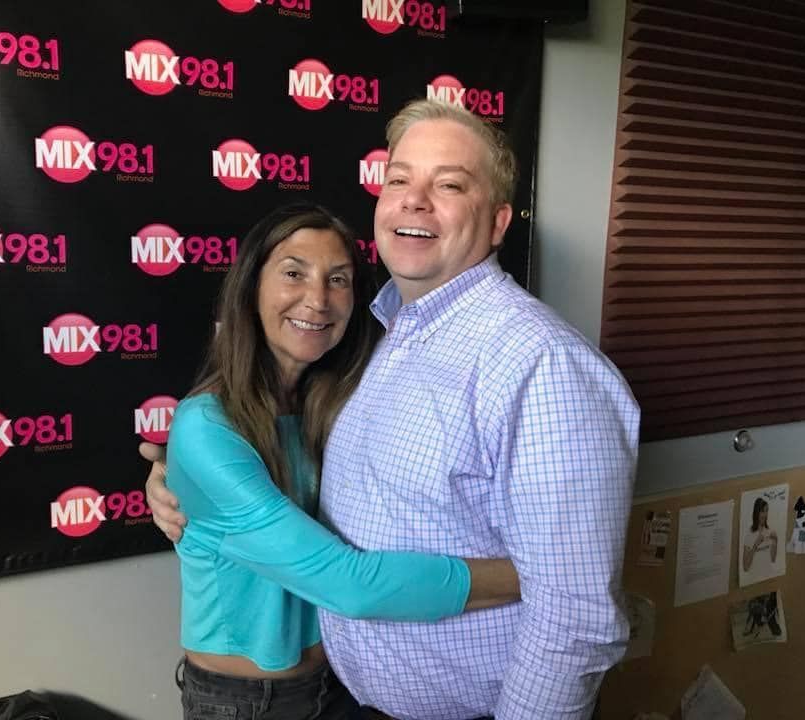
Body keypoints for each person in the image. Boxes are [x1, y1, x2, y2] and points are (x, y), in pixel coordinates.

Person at [146, 100, 640, 720]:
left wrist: (547, 580)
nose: (415, 200)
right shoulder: (380, 348)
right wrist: (174, 480)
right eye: (399, 179)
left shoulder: (541, 363)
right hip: (339, 699)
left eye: (450, 185)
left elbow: (575, 619)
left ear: (498, 223)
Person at [159, 202, 521, 720]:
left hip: (345, 683)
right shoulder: (207, 426)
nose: (317, 299)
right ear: (251, 287)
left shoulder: (339, 402)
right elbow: (346, 582)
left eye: (338, 279)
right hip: (247, 704)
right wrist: (533, 575)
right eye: (293, 274)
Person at [742, 498, 778, 572]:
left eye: (766, 511)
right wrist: (755, 545)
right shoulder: (749, 534)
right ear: (756, 512)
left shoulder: (769, 531)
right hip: (755, 576)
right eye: (762, 511)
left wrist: (775, 542)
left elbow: (773, 560)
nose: (765, 514)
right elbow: (745, 567)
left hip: (768, 574)